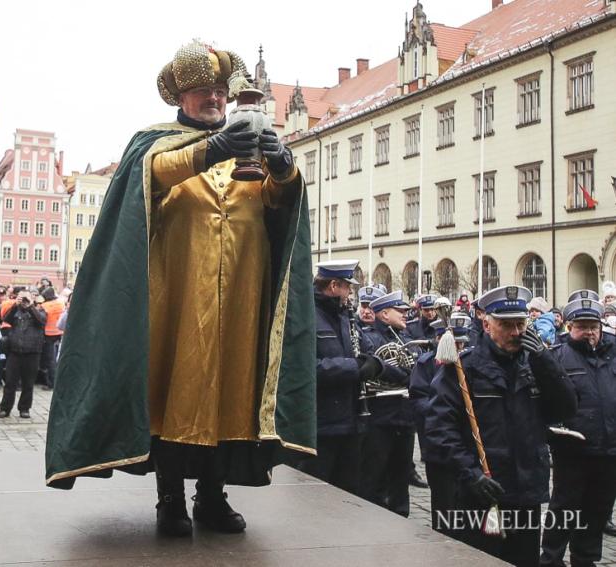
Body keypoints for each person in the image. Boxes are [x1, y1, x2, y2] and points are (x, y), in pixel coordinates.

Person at [45, 39, 315, 538]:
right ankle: (170, 497)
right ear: (180, 98)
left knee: (231, 390)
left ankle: (212, 496)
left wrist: (283, 168)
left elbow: (280, 205)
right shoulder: (154, 142)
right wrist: (211, 150)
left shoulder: (252, 138)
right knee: (174, 390)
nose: (214, 98)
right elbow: (148, 177)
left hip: (241, 292)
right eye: (202, 92)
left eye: (219, 90)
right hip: (176, 293)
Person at [426, 285, 577, 567]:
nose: (516, 332)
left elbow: (567, 408)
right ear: (486, 324)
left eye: (521, 324)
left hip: (526, 489)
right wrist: (470, 473)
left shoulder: (537, 363)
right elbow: (439, 428)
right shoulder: (463, 368)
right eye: (506, 325)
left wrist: (545, 361)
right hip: (482, 490)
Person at [540, 295, 616, 567]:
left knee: (598, 510)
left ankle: (585, 559)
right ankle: (551, 559)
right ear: (570, 326)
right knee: (564, 510)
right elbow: (544, 403)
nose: (589, 333)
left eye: (593, 326)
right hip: (573, 452)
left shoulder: (613, 352)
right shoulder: (557, 357)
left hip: (609, 451)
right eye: (582, 326)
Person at [298, 260, 382, 495]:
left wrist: (374, 363)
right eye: (348, 287)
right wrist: (353, 368)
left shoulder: (345, 316)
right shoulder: (308, 315)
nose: (350, 293)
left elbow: (363, 351)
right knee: (315, 494)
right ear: (334, 286)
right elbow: (305, 368)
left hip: (350, 422)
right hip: (322, 426)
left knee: (348, 493)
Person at [359, 290, 420, 517]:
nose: (406, 315)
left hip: (404, 418)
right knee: (374, 477)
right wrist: (393, 370)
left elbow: (416, 372)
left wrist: (391, 370)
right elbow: (374, 367)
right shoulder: (369, 337)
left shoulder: (405, 338)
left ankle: (400, 517)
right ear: (384, 314)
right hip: (381, 418)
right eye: (400, 311)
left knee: (401, 477)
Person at [409, 312, 471, 533]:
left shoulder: (472, 364)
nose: (460, 348)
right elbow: (418, 400)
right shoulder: (427, 364)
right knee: (445, 509)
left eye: (464, 343)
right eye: (456, 343)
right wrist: (447, 412)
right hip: (439, 449)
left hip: (469, 450)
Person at [0, 290, 45, 419]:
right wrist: (14, 305)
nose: (24, 300)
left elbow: (41, 322)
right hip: (15, 352)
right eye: (21, 297)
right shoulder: (15, 310)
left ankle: (24, 408)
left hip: (32, 352)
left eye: (26, 297)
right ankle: (4, 409)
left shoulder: (39, 310)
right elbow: (5, 319)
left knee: (28, 383)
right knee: (10, 383)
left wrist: (30, 306)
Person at [38, 287, 64, 390]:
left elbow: (41, 319)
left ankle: (51, 383)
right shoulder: (60, 303)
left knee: (50, 360)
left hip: (49, 334)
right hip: (60, 332)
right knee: (58, 358)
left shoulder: (44, 306)